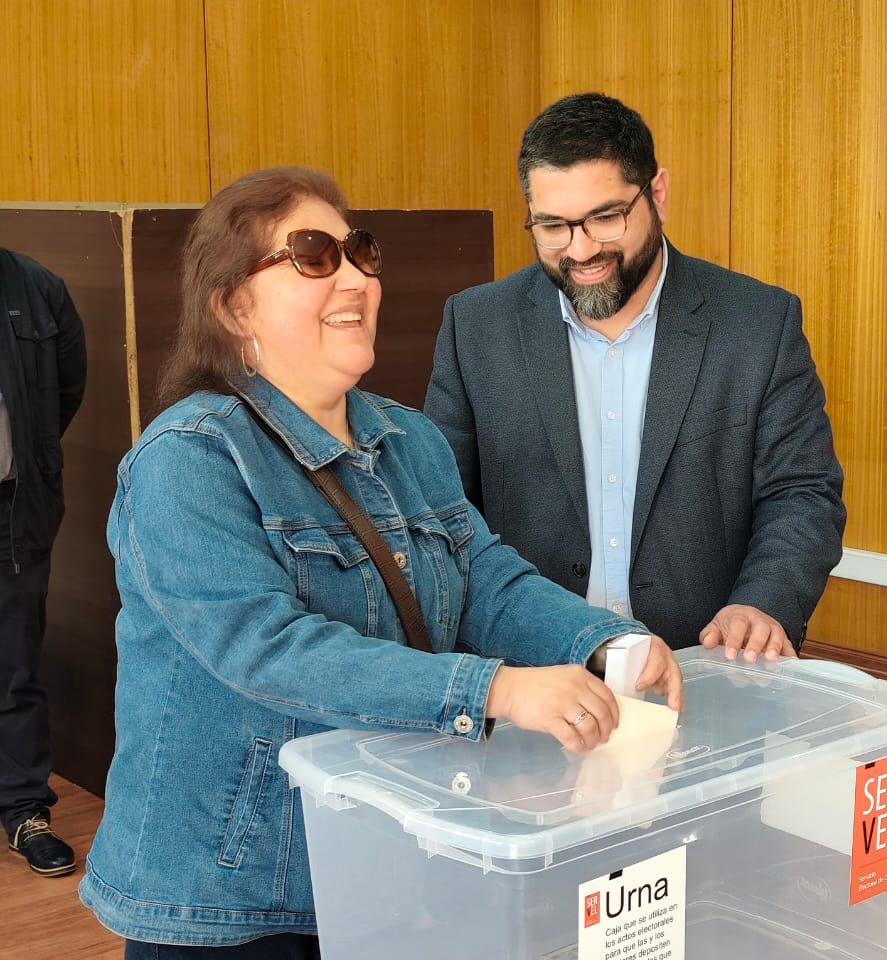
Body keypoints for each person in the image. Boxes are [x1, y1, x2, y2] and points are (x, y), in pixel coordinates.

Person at [77, 167, 683, 957]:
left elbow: (486, 581)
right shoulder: (190, 459)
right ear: (233, 307)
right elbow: (267, 646)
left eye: (359, 252)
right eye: (313, 256)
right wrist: (492, 688)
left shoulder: (407, 438)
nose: (357, 276)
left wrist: (604, 643)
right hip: (226, 892)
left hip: (373, 859)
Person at [424, 92, 845, 660]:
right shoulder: (476, 326)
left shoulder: (757, 323)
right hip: (535, 669)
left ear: (658, 194)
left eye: (605, 217)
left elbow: (801, 491)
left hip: (704, 666)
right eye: (552, 226)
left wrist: (764, 602)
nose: (581, 250)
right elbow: (444, 510)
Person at [1, 247, 86, 877]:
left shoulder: (36, 286)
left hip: (14, 510)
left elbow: (65, 389)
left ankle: (24, 810)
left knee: (14, 666)